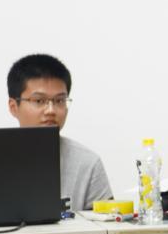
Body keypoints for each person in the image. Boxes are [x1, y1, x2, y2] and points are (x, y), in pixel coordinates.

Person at [7, 53, 112, 211]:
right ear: (13, 107)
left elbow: (105, 223)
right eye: (39, 101)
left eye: (59, 101)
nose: (51, 110)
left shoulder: (87, 164)